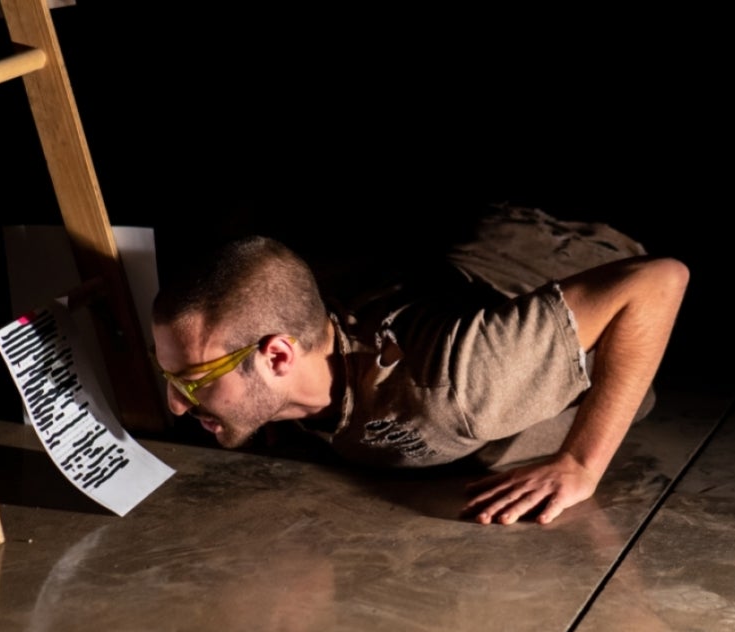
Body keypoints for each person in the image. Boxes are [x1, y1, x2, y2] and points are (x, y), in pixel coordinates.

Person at [150, 204, 689, 525]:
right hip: (428, 257)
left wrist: (582, 463)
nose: (175, 403)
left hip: (560, 245)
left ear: (277, 357)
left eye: (193, 381)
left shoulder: (460, 383)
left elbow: (660, 280)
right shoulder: (293, 345)